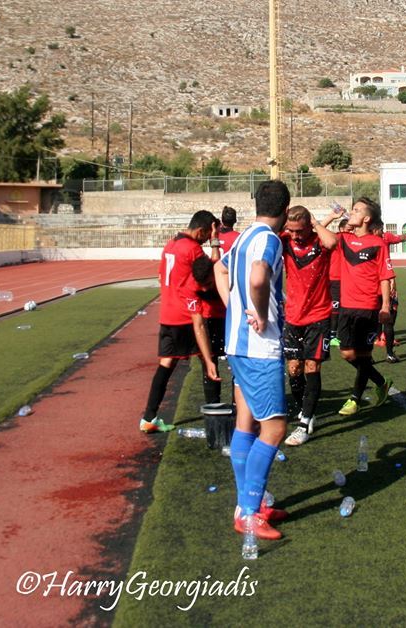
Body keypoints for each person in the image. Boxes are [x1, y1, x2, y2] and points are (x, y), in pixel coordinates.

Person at [213, 180, 292, 542]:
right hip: (260, 348)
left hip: (236, 344)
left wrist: (233, 307)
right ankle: (249, 512)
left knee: (245, 423)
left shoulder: (243, 235)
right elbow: (259, 277)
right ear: (285, 211)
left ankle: (248, 504)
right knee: (274, 429)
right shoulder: (271, 240)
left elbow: (219, 269)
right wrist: (258, 312)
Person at [139, 210, 221, 433]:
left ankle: (149, 417)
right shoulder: (192, 249)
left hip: (168, 313)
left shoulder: (170, 245)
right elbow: (212, 274)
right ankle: (215, 416)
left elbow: (160, 276)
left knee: (166, 364)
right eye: (208, 234)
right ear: (201, 231)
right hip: (187, 314)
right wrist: (215, 243)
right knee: (208, 359)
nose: (207, 239)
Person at [281, 204, 342, 447]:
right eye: (291, 230)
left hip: (318, 316)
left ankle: (304, 423)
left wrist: (318, 223)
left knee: (311, 367)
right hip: (293, 317)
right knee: (294, 369)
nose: (295, 235)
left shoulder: (320, 242)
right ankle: (306, 409)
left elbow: (333, 242)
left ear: (309, 226)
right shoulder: (285, 241)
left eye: (299, 230)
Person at [336, 197, 395, 416]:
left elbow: (385, 276)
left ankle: (355, 399)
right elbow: (322, 238)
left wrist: (385, 306)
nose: (351, 212)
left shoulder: (378, 244)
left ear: (367, 218)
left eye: (356, 210)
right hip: (346, 306)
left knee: (362, 354)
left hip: (368, 306)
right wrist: (330, 217)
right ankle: (381, 382)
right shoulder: (344, 239)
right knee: (347, 353)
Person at [374, 224, 406, 362]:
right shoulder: (383, 240)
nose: (383, 231)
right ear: (375, 229)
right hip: (384, 283)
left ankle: (372, 348)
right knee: (389, 318)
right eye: (381, 229)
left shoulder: (363, 240)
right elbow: (402, 238)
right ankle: (389, 353)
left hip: (370, 285)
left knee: (372, 317)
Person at [192, 254, 226, 405]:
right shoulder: (192, 286)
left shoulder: (226, 274)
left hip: (228, 319)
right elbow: (198, 325)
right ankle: (213, 405)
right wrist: (207, 359)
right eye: (202, 285)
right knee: (208, 365)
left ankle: (238, 406)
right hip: (207, 321)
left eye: (208, 283)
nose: (205, 289)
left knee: (237, 364)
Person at [328, 217, 353, 347]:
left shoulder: (349, 240)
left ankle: (341, 333)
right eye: (348, 229)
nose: (350, 232)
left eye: (352, 230)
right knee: (336, 307)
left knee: (345, 307)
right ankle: (332, 336)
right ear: (341, 229)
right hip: (335, 278)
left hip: (346, 279)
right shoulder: (337, 238)